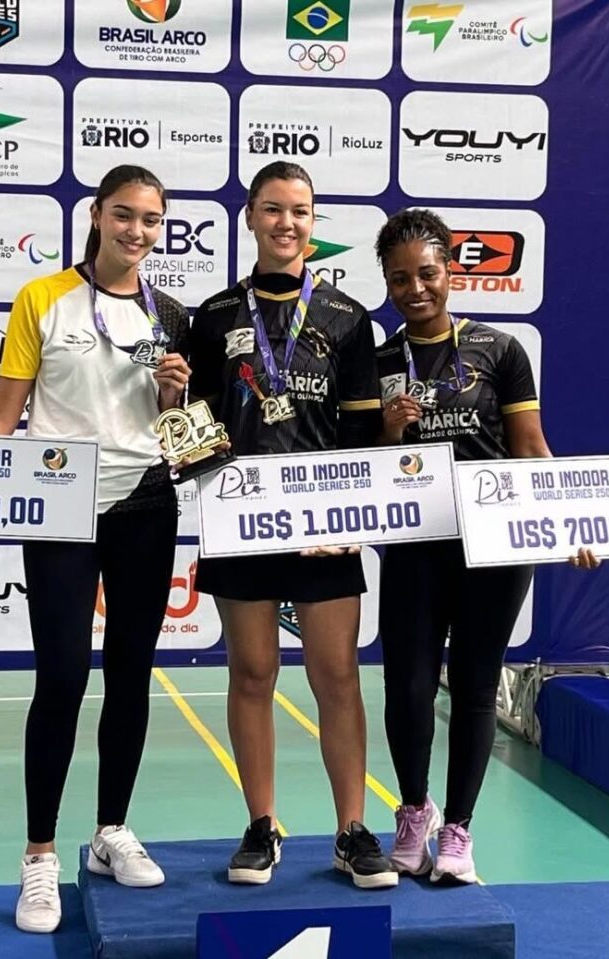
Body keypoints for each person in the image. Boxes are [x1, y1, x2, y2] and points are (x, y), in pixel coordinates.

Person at [0, 165, 191, 932]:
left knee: (131, 673)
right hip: (60, 505)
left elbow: (179, 432)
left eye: (150, 219)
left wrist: (173, 398)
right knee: (62, 676)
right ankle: (38, 856)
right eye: (123, 214)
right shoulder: (43, 297)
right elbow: (3, 413)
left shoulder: (171, 314)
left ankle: (111, 830)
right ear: (96, 215)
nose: (136, 230)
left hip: (146, 504)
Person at [188, 161, 398, 889]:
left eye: (300, 211)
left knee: (336, 674)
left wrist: (350, 515)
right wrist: (173, 410)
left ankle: (351, 830)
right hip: (242, 522)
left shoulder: (347, 317)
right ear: (249, 216)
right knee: (252, 672)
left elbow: (362, 435)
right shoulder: (214, 315)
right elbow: (197, 429)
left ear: (314, 222)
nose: (286, 222)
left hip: (322, 527)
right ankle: (262, 825)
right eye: (273, 209)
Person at [374, 208, 599, 885]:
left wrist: (568, 519)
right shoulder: (379, 362)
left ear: (450, 271)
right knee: (408, 687)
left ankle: (458, 830)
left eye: (427, 273)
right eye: (400, 278)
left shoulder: (499, 350)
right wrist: (389, 432)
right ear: (387, 283)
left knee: (474, 687)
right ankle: (413, 810)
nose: (416, 289)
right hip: (415, 546)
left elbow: (530, 447)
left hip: (493, 549)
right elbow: (364, 468)